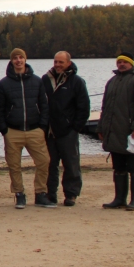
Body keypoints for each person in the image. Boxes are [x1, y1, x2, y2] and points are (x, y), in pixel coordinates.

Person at [0, 48, 55, 209]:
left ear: (25, 59)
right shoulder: (3, 84)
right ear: (12, 61)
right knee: (14, 165)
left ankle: (41, 193)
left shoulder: (37, 81)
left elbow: (44, 105)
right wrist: (4, 129)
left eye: (21, 57)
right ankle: (19, 194)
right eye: (15, 58)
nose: (18, 60)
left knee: (44, 161)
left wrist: (43, 126)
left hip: (35, 129)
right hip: (13, 130)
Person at [99, 52, 134, 211]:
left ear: (131, 63)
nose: (121, 64)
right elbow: (105, 107)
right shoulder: (112, 81)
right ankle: (119, 198)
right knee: (118, 166)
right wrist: (101, 127)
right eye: (119, 62)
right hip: (114, 131)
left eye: (124, 62)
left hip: (130, 131)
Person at [42, 51, 91, 206]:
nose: (57, 65)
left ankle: (71, 194)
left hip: (68, 130)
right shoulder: (45, 80)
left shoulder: (76, 82)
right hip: (49, 130)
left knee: (71, 163)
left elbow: (84, 107)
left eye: (61, 62)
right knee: (50, 164)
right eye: (56, 61)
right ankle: (50, 194)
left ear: (68, 63)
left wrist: (76, 127)